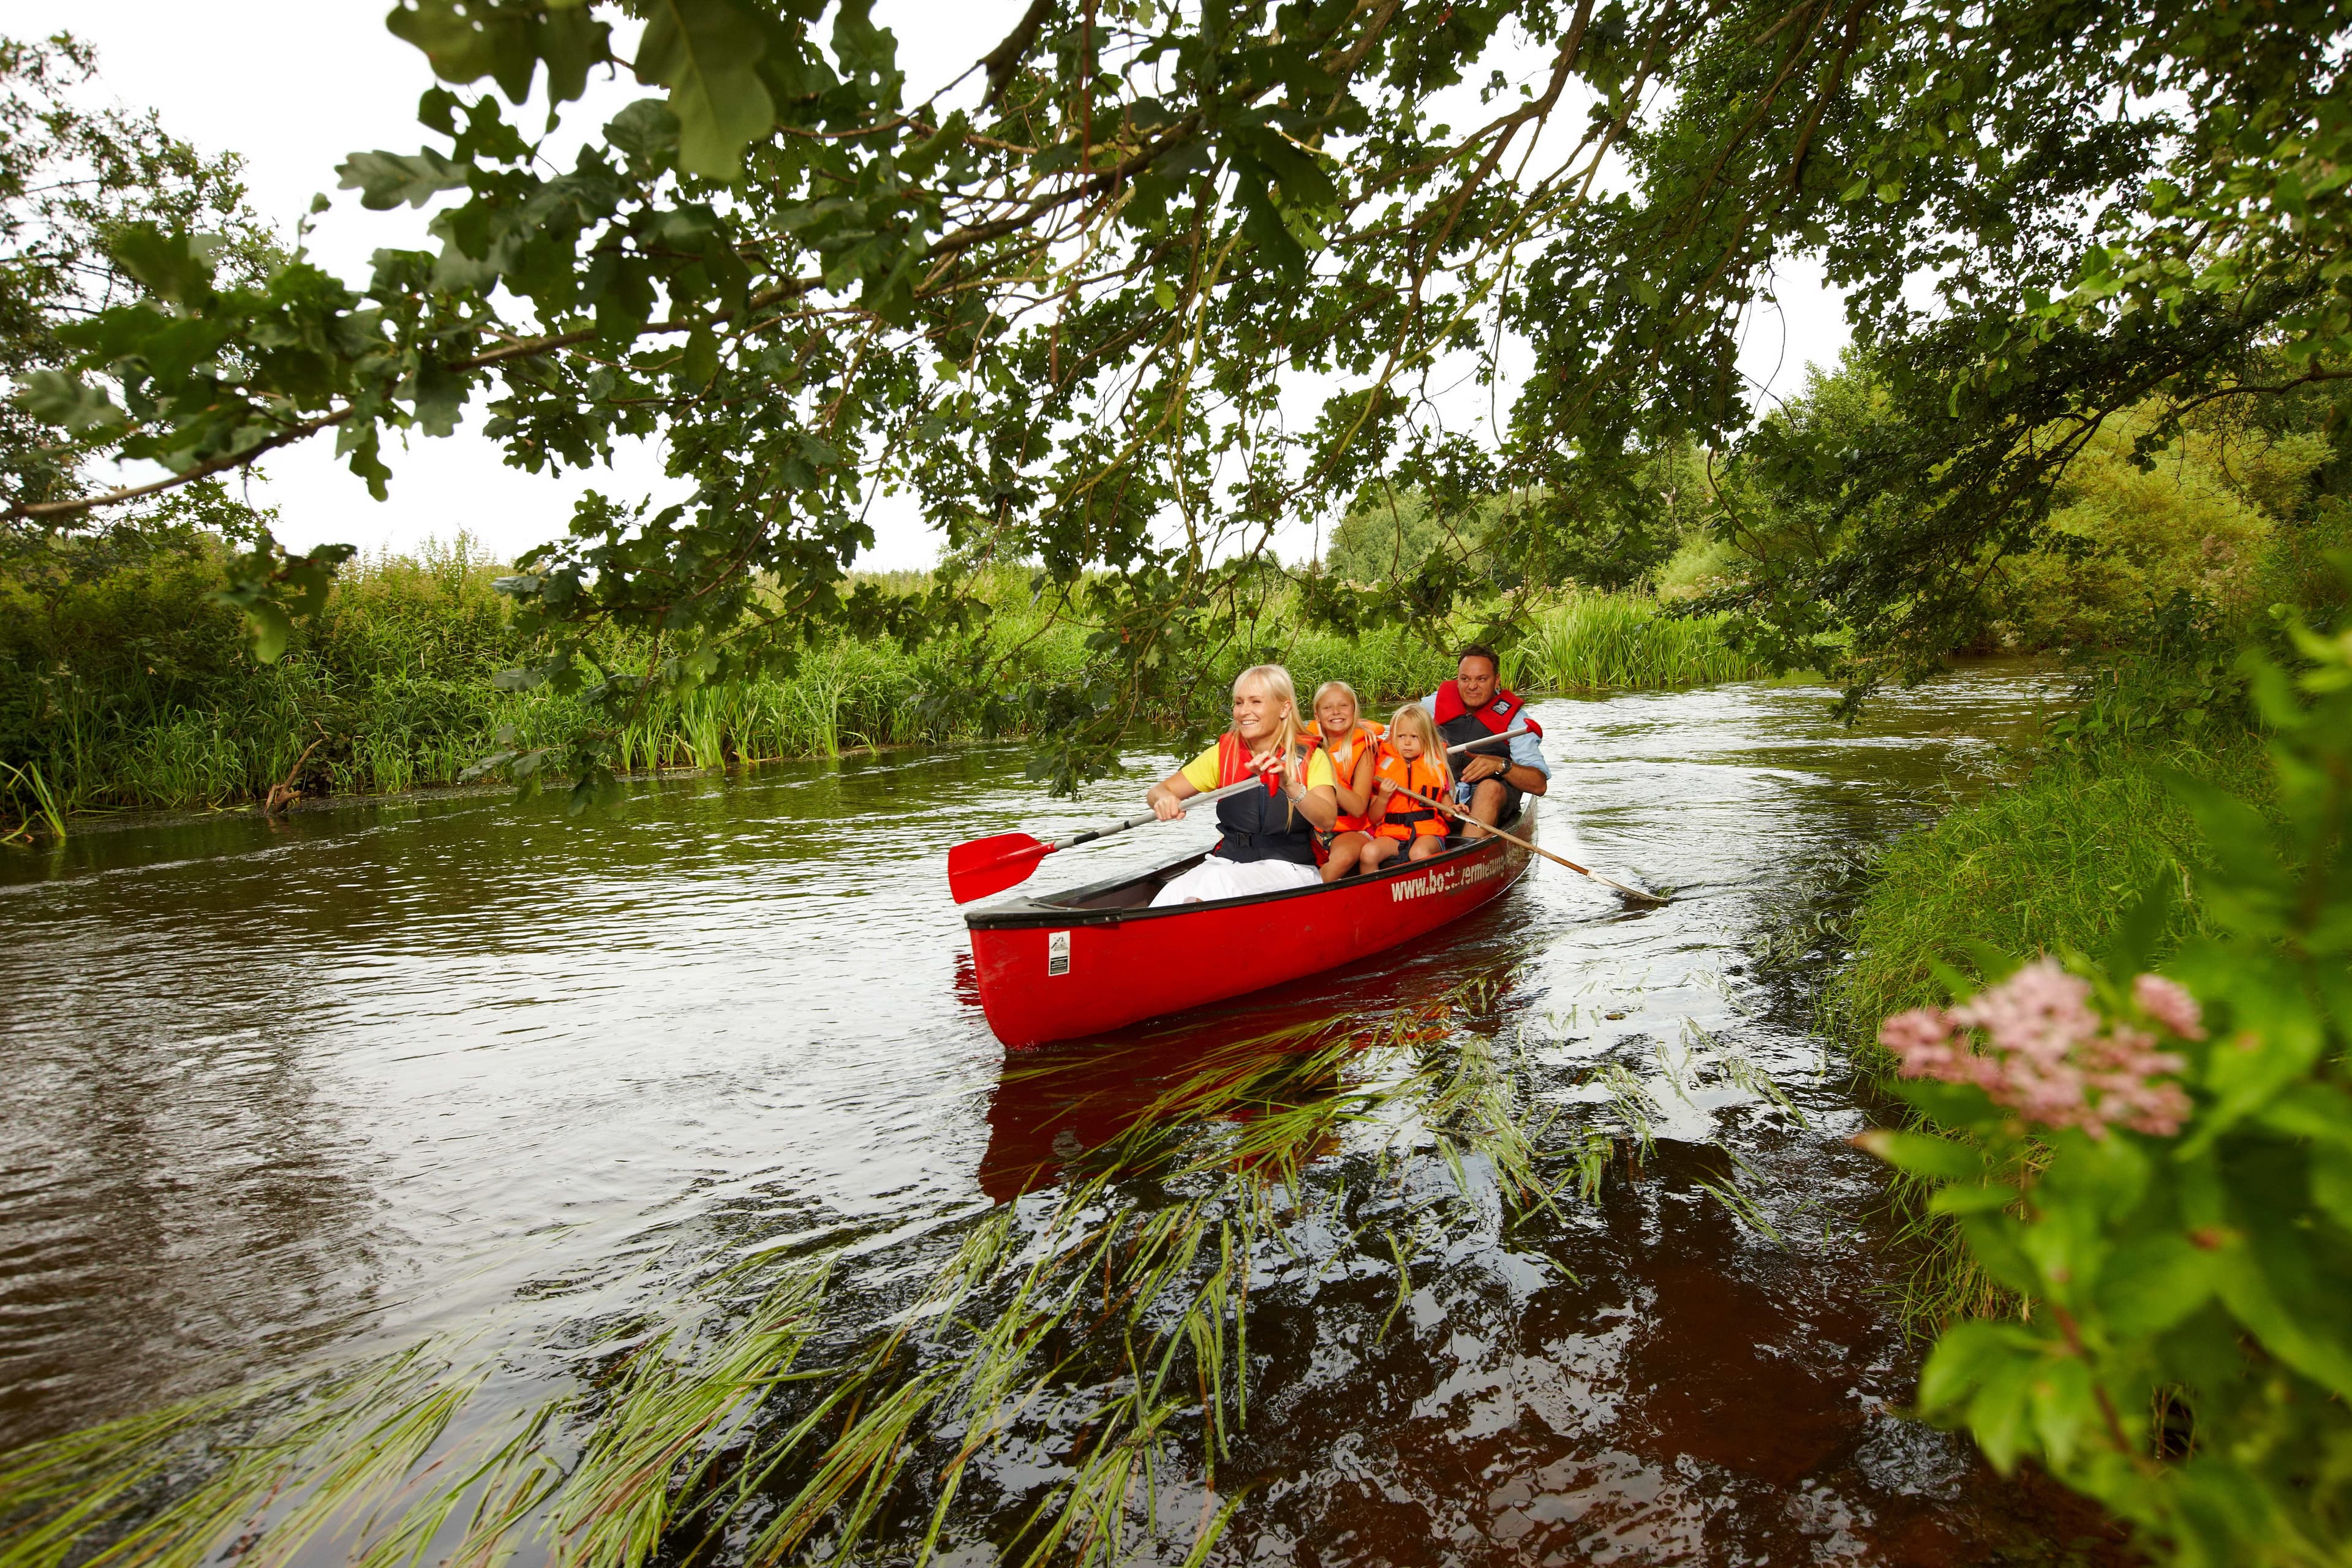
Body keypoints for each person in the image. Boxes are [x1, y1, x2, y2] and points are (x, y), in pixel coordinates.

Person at [1144, 665, 1340, 905]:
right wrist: (1163, 799)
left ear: (1284, 708)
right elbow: (1159, 791)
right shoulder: (1224, 754)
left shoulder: (1310, 757)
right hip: (1228, 860)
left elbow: (1328, 819)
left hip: (1290, 867)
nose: (1244, 711)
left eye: (1256, 702)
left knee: (1217, 883)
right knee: (1172, 894)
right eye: (1239, 703)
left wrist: (1288, 784)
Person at [1415, 643, 1548, 836]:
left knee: (1489, 788)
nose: (1472, 686)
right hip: (1441, 796)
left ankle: (1467, 852)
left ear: (1496, 681)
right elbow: (1393, 745)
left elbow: (1539, 785)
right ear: (1458, 679)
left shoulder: (1517, 722)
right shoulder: (1429, 707)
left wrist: (1501, 765)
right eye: (1465, 679)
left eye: (1481, 679)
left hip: (1491, 799)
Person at [1304, 680, 1382, 881]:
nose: (1336, 712)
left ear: (1355, 710)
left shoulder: (1363, 749)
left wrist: (1326, 778)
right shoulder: (1305, 746)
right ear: (1317, 715)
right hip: (1314, 828)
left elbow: (1357, 808)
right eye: (1328, 707)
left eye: (1343, 706)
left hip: (1353, 830)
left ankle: (1306, 898)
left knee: (1343, 857)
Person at [1361, 703, 1453, 871]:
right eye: (1401, 736)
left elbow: (1448, 809)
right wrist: (1383, 797)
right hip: (1394, 834)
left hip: (1428, 834)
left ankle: (1429, 891)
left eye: (1414, 737)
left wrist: (1455, 810)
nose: (1407, 742)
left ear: (1427, 738)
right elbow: (1374, 818)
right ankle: (1373, 894)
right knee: (1369, 853)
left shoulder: (1435, 767)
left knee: (1419, 852)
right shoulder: (1382, 768)